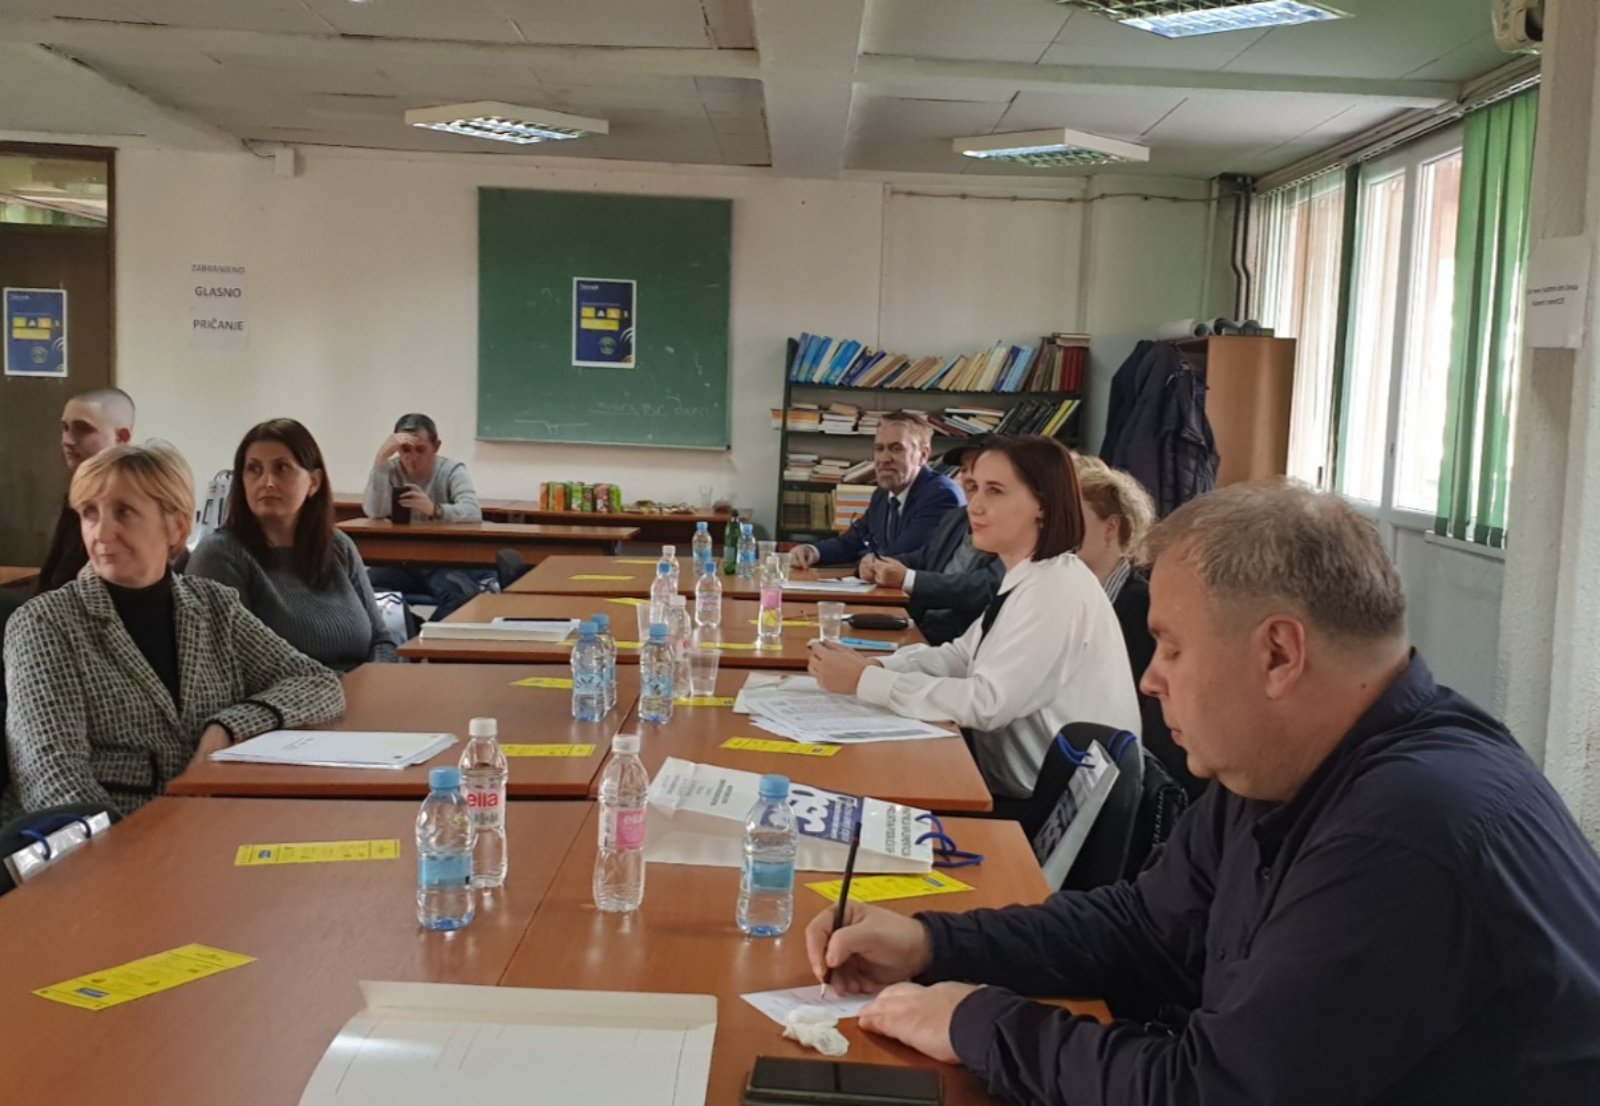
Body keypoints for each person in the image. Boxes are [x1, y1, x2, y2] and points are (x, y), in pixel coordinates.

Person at [803, 482, 1600, 1106]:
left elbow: (1213, 1093)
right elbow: (1146, 926)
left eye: (1172, 648)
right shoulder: (1288, 763)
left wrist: (975, 1020)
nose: (1150, 680)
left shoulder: (1408, 831)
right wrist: (933, 944)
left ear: (1279, 654)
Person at [3, 442, 345, 820]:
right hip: (102, 842)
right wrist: (141, 845)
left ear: (176, 526)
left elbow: (317, 683)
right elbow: (52, 780)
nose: (101, 532)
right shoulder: (46, 623)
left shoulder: (213, 606)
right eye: (89, 513)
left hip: (208, 823)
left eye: (124, 512)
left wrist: (228, 726)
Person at [807, 435, 1140, 799]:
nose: (975, 506)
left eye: (995, 491)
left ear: (1043, 505)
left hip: (1041, 806)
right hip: (1008, 782)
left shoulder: (1056, 588)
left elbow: (986, 703)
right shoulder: (1030, 574)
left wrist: (866, 681)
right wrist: (877, 667)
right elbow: (961, 656)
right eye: (974, 489)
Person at [189, 419, 396, 672]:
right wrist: (340, 686)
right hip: (289, 696)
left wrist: (375, 681)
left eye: (281, 468)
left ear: (314, 482)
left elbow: (381, 640)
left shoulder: (338, 546)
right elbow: (235, 667)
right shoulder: (220, 556)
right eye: (254, 469)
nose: (267, 482)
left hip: (363, 691)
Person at [1074, 453, 1199, 798]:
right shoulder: (1078, 595)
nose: (1061, 531)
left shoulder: (1140, 606)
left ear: (1111, 528)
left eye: (1074, 520)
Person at [858, 437, 1003, 645]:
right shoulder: (956, 517)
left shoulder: (1014, 526)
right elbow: (926, 557)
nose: (970, 478)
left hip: (961, 638)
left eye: (978, 469)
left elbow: (986, 587)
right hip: (920, 627)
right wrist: (880, 563)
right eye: (964, 469)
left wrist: (907, 579)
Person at [790, 411, 962, 569]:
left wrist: (867, 561)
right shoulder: (882, 494)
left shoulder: (941, 495)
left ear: (923, 455)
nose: (884, 459)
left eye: (896, 449)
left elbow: (900, 557)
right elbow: (852, 542)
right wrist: (813, 551)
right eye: (879, 449)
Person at [360, 412, 482, 618]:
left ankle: (428, 637)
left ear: (436, 446)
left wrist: (435, 510)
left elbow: (473, 511)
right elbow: (374, 512)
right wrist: (380, 460)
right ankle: (412, 629)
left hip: (442, 561)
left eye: (420, 449)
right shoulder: (388, 470)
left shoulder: (452, 470)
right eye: (405, 449)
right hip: (400, 561)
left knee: (463, 595)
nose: (413, 457)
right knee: (362, 589)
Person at [36, 387, 136, 594]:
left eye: (83, 429)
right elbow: (53, 578)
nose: (68, 440)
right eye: (65, 428)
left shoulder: (129, 499)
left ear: (121, 437)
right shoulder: (82, 491)